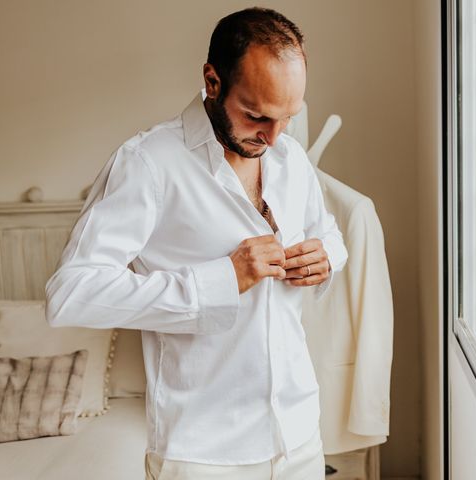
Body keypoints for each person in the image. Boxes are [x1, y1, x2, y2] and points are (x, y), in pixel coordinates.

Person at [45, 7, 348, 480]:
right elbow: (70, 294)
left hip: (299, 435)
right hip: (203, 452)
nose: (273, 137)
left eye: (288, 118)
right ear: (212, 81)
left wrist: (326, 256)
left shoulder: (289, 158)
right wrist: (222, 279)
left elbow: (326, 229)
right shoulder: (148, 164)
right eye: (255, 116)